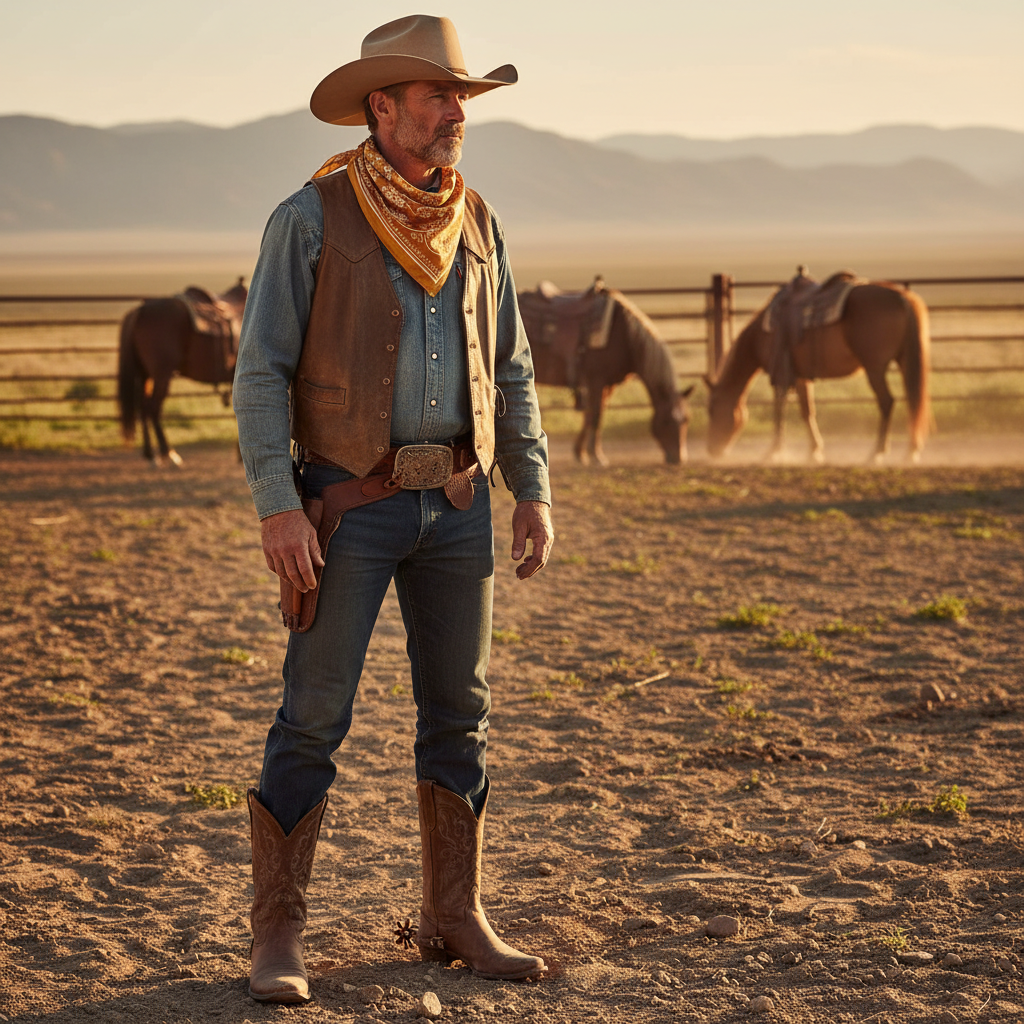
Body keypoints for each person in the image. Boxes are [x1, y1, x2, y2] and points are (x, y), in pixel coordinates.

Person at [232, 14, 553, 1006]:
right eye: (438, 95)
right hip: (345, 511)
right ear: (384, 107)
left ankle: (454, 914)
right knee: (312, 717)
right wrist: (278, 506)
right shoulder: (311, 215)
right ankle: (278, 932)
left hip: (457, 506)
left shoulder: (477, 217)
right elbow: (259, 375)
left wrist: (531, 483)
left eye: (461, 98)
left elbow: (511, 365)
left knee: (462, 714)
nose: (458, 113)